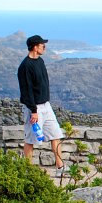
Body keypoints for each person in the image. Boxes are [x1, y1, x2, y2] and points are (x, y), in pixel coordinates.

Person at [17, 34, 67, 176]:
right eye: (42, 45)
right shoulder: (25, 66)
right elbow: (26, 90)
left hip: (46, 105)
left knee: (55, 134)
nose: (44, 47)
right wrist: (33, 110)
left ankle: (60, 167)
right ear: (35, 47)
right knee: (31, 140)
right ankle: (26, 170)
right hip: (34, 108)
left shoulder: (40, 61)